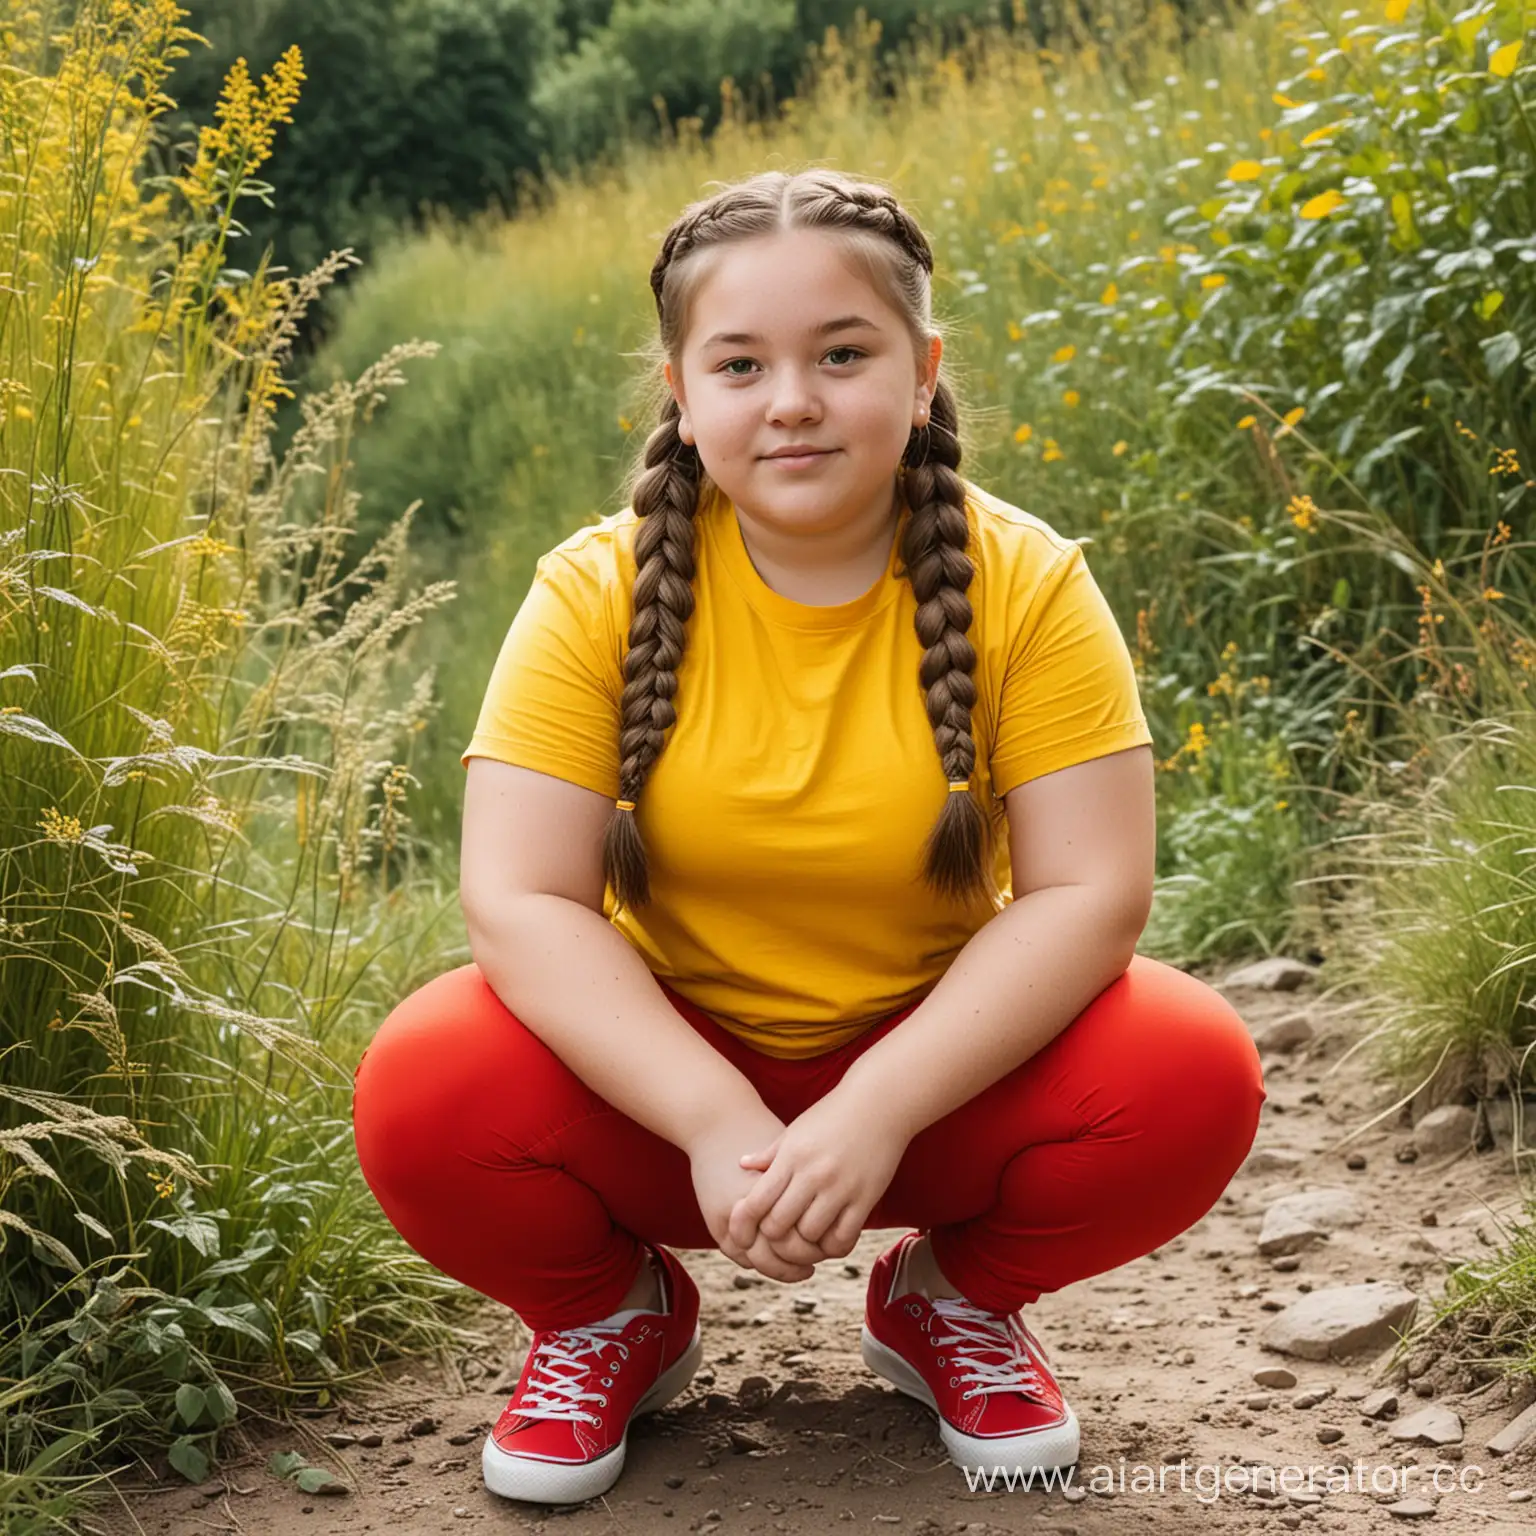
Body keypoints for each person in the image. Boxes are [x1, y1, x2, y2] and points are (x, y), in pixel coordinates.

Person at [351, 167, 1265, 1509]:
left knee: (1190, 1070)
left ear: (922, 367)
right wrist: (716, 1116)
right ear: (680, 386)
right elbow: (519, 900)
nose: (792, 400)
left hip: (937, 1077)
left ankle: (947, 1300)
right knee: (424, 1085)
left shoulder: (1029, 584)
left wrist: (879, 1109)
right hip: (664, 1092)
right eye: (741, 363)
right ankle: (611, 1318)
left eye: (844, 354)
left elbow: (1091, 893)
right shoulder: (591, 591)